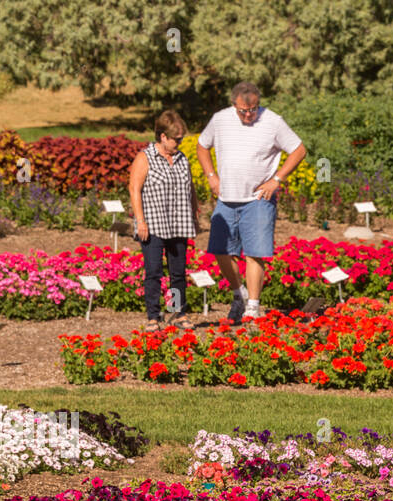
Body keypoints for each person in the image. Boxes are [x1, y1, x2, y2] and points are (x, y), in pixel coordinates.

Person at [196, 82, 307, 321]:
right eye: (243, 111)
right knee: (221, 251)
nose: (248, 115)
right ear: (233, 105)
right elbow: (202, 146)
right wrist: (211, 176)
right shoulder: (220, 119)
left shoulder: (273, 121)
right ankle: (240, 294)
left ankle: (253, 308)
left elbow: (299, 150)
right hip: (226, 198)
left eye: (253, 109)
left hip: (258, 198)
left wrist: (277, 180)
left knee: (254, 253)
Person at [129, 109, 198, 326]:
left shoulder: (180, 158)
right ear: (163, 137)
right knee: (154, 273)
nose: (179, 143)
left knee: (178, 273)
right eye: (176, 139)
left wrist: (195, 213)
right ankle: (153, 316)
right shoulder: (145, 158)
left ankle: (177, 312)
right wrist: (140, 221)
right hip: (153, 224)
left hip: (178, 223)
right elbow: (134, 189)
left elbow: (191, 188)